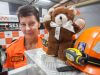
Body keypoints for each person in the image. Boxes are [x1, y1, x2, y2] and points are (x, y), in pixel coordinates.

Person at [4, 5, 43, 69]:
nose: (27, 28)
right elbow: (10, 71)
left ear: (39, 24)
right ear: (20, 25)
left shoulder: (50, 46)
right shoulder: (11, 49)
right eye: (23, 24)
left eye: (31, 23)